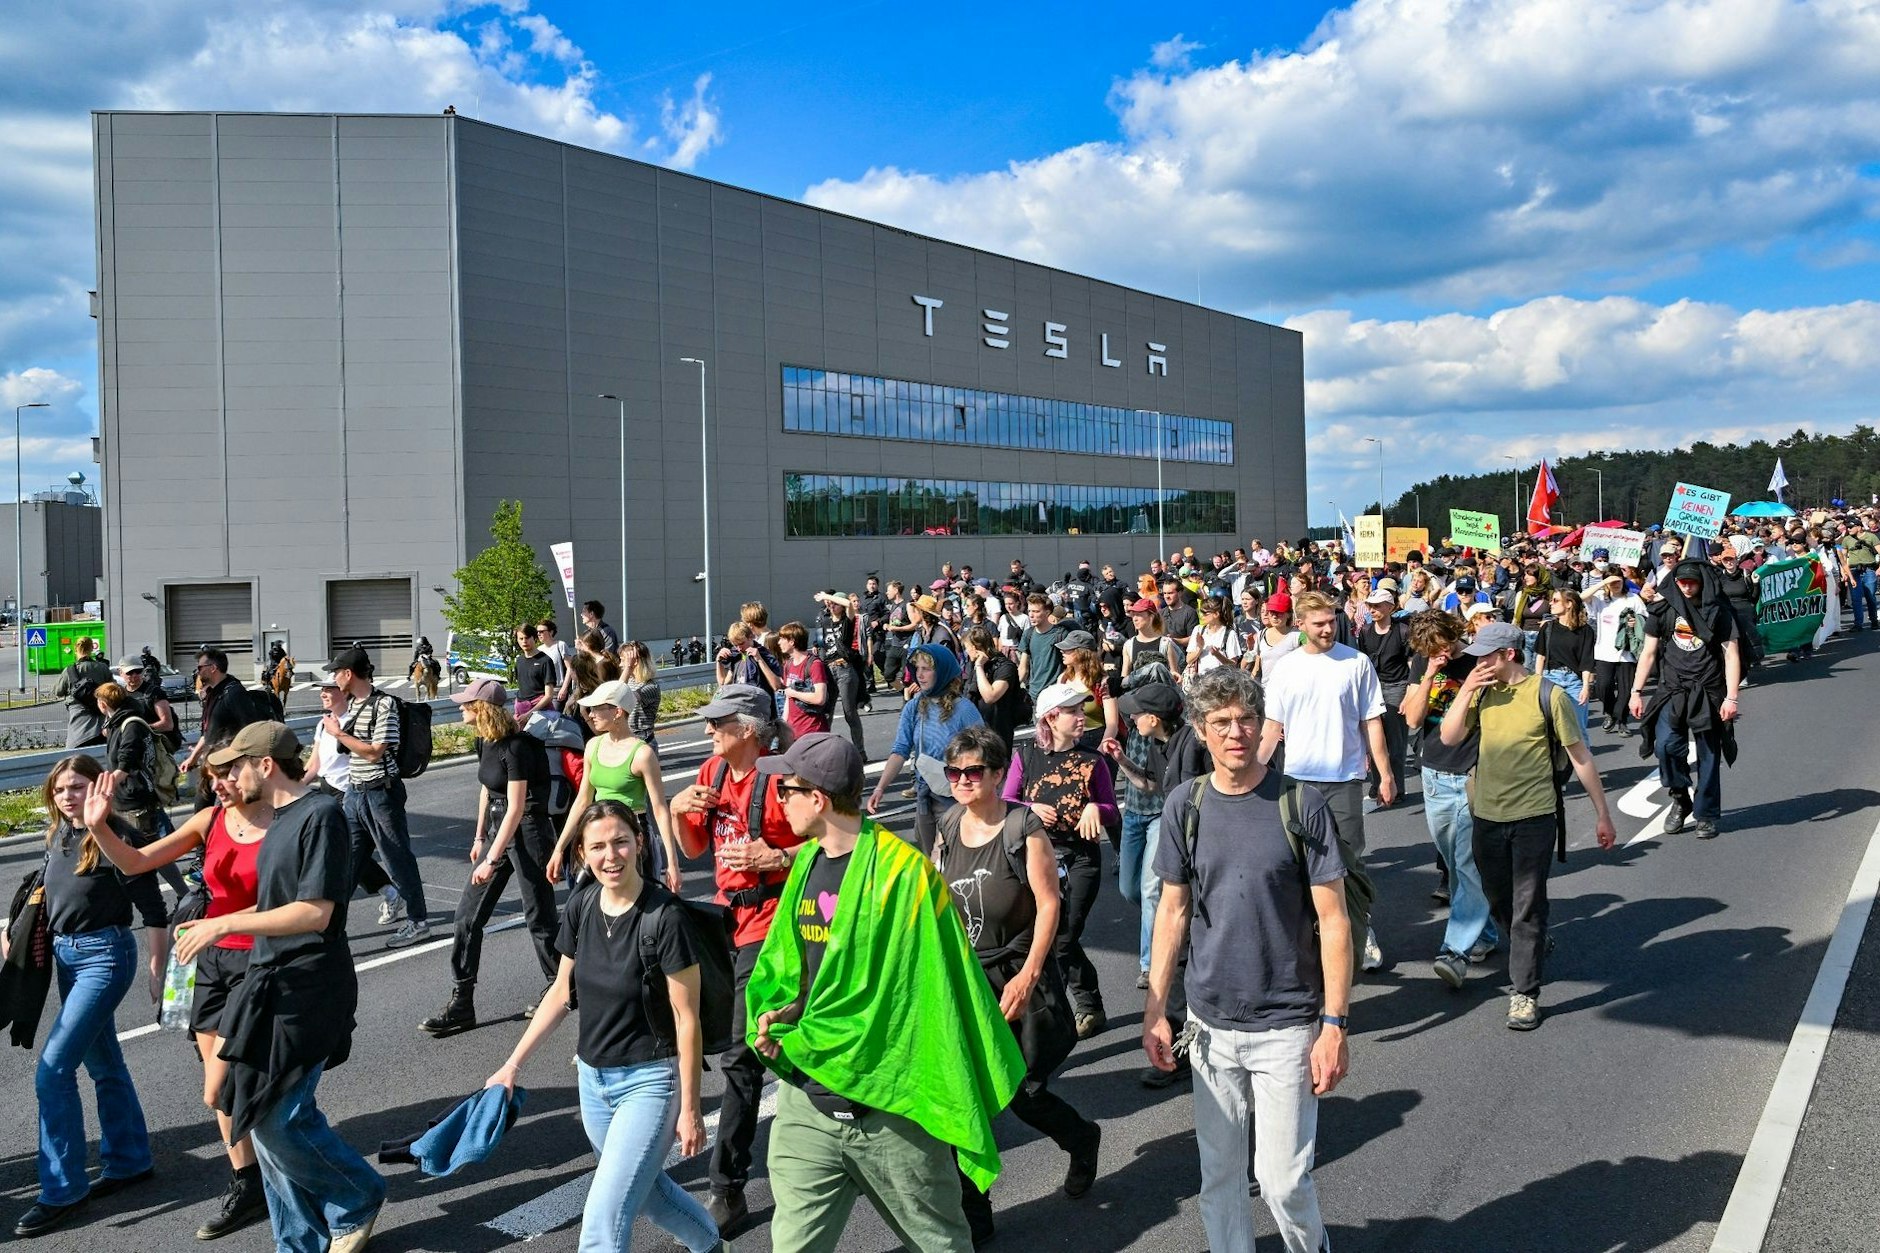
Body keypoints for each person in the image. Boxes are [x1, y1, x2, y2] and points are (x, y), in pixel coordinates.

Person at [745, 732, 1026, 1253]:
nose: (779, 799)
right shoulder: (804, 862)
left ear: (818, 798)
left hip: (891, 1111)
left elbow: (928, 994)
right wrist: (783, 1014)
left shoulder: (905, 875)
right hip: (809, 1101)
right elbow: (808, 973)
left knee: (940, 1245)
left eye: (786, 789)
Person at [1142, 667, 1350, 1253]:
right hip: (1209, 1025)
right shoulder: (1186, 803)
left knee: (1283, 1183)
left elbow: (1333, 921)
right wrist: (1156, 1009)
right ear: (1201, 732)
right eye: (1222, 722)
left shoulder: (1299, 804)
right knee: (1221, 1182)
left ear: (1262, 726)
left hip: (1287, 1023)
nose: (1236, 732)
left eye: (1246, 719)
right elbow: (1172, 912)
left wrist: (1334, 1025)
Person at [172, 722, 387, 1253]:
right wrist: (213, 921)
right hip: (267, 982)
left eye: (234, 766)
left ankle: (358, 1194)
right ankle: (298, 1242)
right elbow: (271, 902)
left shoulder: (321, 816)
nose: (226, 777)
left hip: (309, 987)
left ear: (264, 765)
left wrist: (223, 925)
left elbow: (315, 912)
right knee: (252, 1111)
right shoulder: (282, 820)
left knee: (278, 1119)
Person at [484, 802, 725, 1253]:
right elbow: (560, 992)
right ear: (582, 852)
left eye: (620, 842)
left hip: (649, 1082)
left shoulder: (664, 916)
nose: (610, 855)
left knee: (602, 1222)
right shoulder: (582, 904)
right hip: (593, 1082)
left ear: (638, 843)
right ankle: (713, 1247)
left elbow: (686, 1019)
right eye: (597, 846)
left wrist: (690, 1108)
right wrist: (511, 1065)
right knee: (650, 1195)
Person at [78, 754, 274, 1240]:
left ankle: (292, 1167)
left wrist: (224, 924)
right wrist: (99, 827)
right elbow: (136, 861)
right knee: (218, 1086)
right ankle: (247, 1182)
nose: (217, 785)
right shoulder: (210, 819)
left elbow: (292, 897)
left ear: (256, 769)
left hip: (264, 960)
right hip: (208, 960)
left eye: (225, 775)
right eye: (210, 777)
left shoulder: (288, 822)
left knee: (241, 1080)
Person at [934, 726, 1102, 1246]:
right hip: (968, 978)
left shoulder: (1020, 825)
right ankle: (975, 1212)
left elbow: (1050, 903)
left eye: (973, 772)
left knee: (1024, 1093)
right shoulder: (946, 823)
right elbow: (937, 899)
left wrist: (1030, 976)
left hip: (1018, 973)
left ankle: (1080, 1138)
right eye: (953, 772)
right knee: (963, 1098)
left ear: (995, 773)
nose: (962, 781)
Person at [8, 756, 168, 1239]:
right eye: (59, 790)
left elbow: (155, 909)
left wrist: (158, 969)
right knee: (103, 1063)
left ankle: (62, 1191)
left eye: (76, 787)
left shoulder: (116, 837)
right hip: (65, 957)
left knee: (53, 1071)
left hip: (105, 957)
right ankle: (130, 1159)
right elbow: (49, 895)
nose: (67, 797)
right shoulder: (59, 835)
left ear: (99, 786)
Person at [669, 684, 803, 1235]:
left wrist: (779, 854)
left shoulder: (783, 779)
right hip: (722, 922)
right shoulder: (711, 772)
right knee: (741, 1043)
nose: (708, 731)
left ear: (748, 729)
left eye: (718, 723)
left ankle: (728, 1186)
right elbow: (695, 849)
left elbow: (836, 843)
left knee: (742, 1056)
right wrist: (677, 810)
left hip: (774, 924)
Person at [1441, 622, 1617, 1029]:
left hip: (1534, 818)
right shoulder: (1481, 692)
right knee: (1498, 898)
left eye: (1486, 655)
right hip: (1486, 814)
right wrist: (1466, 690)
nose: (1478, 661)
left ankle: (1524, 993)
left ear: (1509, 655)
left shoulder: (1549, 695)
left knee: (1526, 904)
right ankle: (1532, 941)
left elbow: (1580, 756)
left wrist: (1602, 815)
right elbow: (1449, 738)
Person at [1256, 590, 1395, 972]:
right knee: (1301, 867)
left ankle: (1360, 931)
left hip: (1345, 780)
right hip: (1297, 782)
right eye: (1319, 623)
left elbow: (1372, 722)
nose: (1328, 628)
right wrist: (1252, 772)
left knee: (1348, 864)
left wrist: (1385, 775)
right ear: (1300, 625)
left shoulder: (1357, 663)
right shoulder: (1286, 668)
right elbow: (1272, 727)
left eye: (1332, 621)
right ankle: (1312, 940)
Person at [420, 680, 563, 1037]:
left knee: (539, 916)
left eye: (466, 703)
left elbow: (517, 807)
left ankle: (560, 986)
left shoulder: (517, 748)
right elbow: (488, 790)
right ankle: (462, 1003)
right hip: (499, 829)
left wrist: (490, 859)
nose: (460, 708)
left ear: (482, 708)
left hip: (528, 831)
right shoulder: (485, 741)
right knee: (466, 917)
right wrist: (479, 836)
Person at [1003, 682, 1120, 1040]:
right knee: (1049, 935)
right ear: (1051, 719)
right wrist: (1030, 808)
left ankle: (1084, 1006)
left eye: (1081, 710)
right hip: (1038, 857)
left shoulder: (1092, 761)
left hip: (1081, 857)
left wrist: (1094, 807)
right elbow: (1006, 801)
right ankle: (1082, 1005)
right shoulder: (1025, 756)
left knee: (1064, 935)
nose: (1081, 717)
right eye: (1072, 711)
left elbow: (1112, 811)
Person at [1400, 610, 1500, 991]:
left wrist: (1472, 683)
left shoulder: (1478, 660)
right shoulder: (1423, 663)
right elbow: (1412, 720)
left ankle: (1454, 949)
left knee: (1467, 863)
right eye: (1432, 648)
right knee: (1458, 867)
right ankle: (1488, 934)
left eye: (1444, 644)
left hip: (1472, 775)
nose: (1441, 652)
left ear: (1454, 633)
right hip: (1433, 774)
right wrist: (1427, 674)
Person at [323, 645, 430, 948]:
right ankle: (330, 927)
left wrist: (338, 734)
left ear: (348, 673)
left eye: (336, 672)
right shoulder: (354, 705)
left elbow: (375, 752)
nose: (333, 679)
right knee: (346, 861)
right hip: (354, 795)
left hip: (381, 794)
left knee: (397, 859)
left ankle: (418, 921)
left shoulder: (384, 705)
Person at [1630, 560, 1743, 841]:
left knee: (1709, 755)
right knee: (1667, 746)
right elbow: (1648, 652)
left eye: (1693, 582)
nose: (1687, 586)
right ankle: (1680, 798)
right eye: (1682, 582)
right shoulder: (1663, 609)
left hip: (1708, 691)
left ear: (1702, 582)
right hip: (1672, 689)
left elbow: (1731, 655)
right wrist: (1636, 691)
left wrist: (1731, 698)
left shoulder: (1719, 612)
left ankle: (1705, 815)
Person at [549, 680, 682, 892]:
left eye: (596, 709)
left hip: (631, 835)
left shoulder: (642, 754)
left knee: (635, 904)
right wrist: (559, 849)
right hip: (598, 833)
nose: (590, 715)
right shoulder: (593, 745)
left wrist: (672, 864)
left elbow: (659, 809)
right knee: (587, 902)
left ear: (617, 712)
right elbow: (582, 800)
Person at [870, 643, 986, 854]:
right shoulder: (914, 706)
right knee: (927, 856)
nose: (920, 675)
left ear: (943, 671)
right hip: (925, 794)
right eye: (917, 669)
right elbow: (900, 750)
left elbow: (984, 753)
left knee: (953, 856)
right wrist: (880, 787)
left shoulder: (964, 709)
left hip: (956, 797)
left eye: (927, 669)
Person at [305, 675, 401, 923]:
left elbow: (370, 754)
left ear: (343, 692)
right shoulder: (322, 724)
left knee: (345, 855)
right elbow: (315, 764)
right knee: (340, 854)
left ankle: (330, 918)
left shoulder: (354, 723)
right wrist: (291, 789)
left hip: (351, 793)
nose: (323, 694)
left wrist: (340, 734)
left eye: (328, 689)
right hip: (326, 791)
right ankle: (388, 890)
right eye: (321, 690)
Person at [1354, 586, 1412, 808]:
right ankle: (1378, 784)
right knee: (1374, 741)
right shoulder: (1365, 631)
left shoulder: (1403, 631)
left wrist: (1409, 694)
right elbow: (1362, 662)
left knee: (1395, 743)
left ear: (1390, 607)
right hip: (1372, 687)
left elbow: (1411, 664)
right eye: (1370, 605)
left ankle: (1396, 788)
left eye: (1378, 606)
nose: (1373, 610)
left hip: (1397, 687)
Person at [180, 648, 255, 783]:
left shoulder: (234, 692)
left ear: (213, 668)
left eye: (200, 667)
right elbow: (208, 732)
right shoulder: (212, 694)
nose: (198, 671)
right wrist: (193, 758)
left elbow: (250, 729)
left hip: (228, 768)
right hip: (210, 763)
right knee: (202, 803)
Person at [1535, 587, 1597, 740]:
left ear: (1569, 604)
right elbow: (1540, 657)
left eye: (1555, 600)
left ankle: (1581, 764)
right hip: (1550, 679)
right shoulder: (1548, 628)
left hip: (1574, 682)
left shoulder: (1585, 630)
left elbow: (1586, 661)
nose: (1551, 603)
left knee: (1578, 729)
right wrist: (1537, 683)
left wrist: (1585, 687)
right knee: (1549, 728)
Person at [811, 593, 869, 756]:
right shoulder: (824, 621)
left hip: (844, 669)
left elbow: (849, 605)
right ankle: (823, 750)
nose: (831, 606)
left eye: (834, 604)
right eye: (829, 604)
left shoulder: (847, 621)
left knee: (849, 712)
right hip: (828, 669)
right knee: (826, 711)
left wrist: (826, 595)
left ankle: (860, 751)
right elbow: (821, 645)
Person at [1589, 572, 1645, 735]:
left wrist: (1636, 621)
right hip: (1603, 651)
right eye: (1612, 582)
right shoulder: (1600, 598)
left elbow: (1644, 618)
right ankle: (1611, 713)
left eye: (1618, 581)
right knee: (1602, 687)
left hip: (1626, 653)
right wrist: (1603, 583)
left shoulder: (1632, 598)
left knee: (1625, 690)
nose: (1616, 584)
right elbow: (1581, 597)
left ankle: (1622, 722)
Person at [962, 624, 1026, 747]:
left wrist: (979, 667)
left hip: (997, 732)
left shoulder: (1005, 667)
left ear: (976, 648)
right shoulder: (971, 665)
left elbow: (990, 696)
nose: (966, 651)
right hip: (975, 730)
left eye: (967, 647)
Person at [54, 637, 114, 749]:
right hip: (101, 721)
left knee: (74, 759)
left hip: (78, 723)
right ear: (92, 648)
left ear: (75, 650)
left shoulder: (69, 671)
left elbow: (58, 691)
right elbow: (113, 689)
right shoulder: (102, 668)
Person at [1017, 593, 1067, 698]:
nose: (1031, 615)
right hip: (1034, 694)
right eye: (1029, 611)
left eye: (1036, 611)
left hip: (1055, 695)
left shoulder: (1061, 634)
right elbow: (1023, 668)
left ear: (1047, 613)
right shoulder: (1028, 634)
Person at [618, 641, 663, 751]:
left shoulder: (651, 687)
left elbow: (619, 694)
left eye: (623, 660)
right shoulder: (630, 681)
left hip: (643, 742)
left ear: (635, 661)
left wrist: (628, 667)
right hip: (627, 739)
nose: (620, 664)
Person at [1121, 598, 1183, 679]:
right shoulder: (1129, 645)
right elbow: (1124, 676)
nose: (1135, 619)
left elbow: (1174, 675)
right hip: (1138, 691)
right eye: (1133, 614)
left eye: (1139, 614)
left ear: (1151, 617)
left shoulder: (1165, 644)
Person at [511, 624, 557, 720]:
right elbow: (521, 688)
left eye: (527, 638)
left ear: (534, 638)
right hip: (521, 708)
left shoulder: (545, 660)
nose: (524, 641)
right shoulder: (519, 660)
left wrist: (529, 714)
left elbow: (548, 695)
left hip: (542, 711)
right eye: (521, 638)